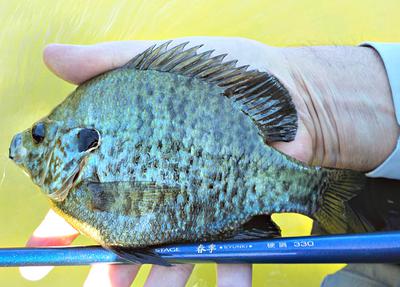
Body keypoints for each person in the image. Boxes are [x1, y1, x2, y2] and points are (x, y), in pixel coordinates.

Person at [19, 37, 400, 286]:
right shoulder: (80, 185)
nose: (24, 146)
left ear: (83, 141)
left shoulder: (82, 188)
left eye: (40, 136)